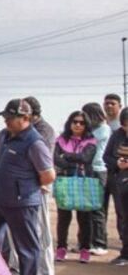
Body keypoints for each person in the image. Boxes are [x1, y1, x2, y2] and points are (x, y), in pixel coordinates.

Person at [0, 99, 55, 275]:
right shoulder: (4, 136)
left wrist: (25, 187)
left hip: (22, 203)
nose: (7, 121)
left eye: (11, 117)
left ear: (26, 118)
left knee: (27, 247)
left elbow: (48, 175)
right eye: (5, 117)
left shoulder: (34, 142)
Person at [53, 110, 98, 264]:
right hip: (64, 181)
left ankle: (85, 248)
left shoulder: (91, 141)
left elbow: (86, 158)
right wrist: (71, 159)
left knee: (84, 218)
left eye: (82, 122)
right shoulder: (60, 140)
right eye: (75, 122)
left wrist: (66, 156)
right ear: (70, 123)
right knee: (63, 217)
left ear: (86, 125)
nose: (78, 125)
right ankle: (61, 248)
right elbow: (56, 160)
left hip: (84, 181)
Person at [24, 95, 57, 275]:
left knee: (41, 231)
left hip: (40, 185)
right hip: (27, 187)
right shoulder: (28, 131)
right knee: (30, 231)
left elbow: (43, 163)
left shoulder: (44, 131)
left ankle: (44, 273)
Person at [83, 102, 111, 255]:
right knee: (87, 208)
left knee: (97, 209)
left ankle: (100, 243)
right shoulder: (95, 130)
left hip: (98, 169)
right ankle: (88, 242)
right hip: (90, 170)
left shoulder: (103, 129)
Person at [103, 107, 128, 265]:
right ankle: (125, 253)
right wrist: (118, 163)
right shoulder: (117, 135)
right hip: (121, 182)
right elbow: (106, 156)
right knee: (124, 219)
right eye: (125, 124)